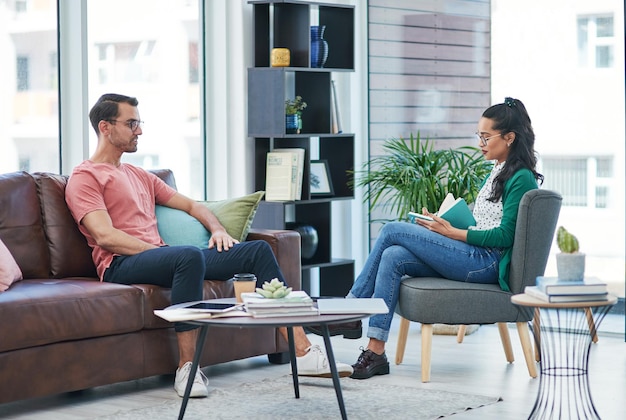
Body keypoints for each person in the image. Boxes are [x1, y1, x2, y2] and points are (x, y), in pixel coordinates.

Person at [65, 93, 352, 398]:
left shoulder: (139, 175)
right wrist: (161, 253)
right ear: (105, 127)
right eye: (131, 123)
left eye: (139, 122)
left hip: (163, 258)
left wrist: (217, 230)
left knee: (256, 251)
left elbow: (192, 206)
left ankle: (303, 351)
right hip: (120, 264)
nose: (139, 130)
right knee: (186, 257)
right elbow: (106, 236)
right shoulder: (85, 177)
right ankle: (188, 367)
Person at [345, 97, 544, 379]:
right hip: (474, 253)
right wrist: (447, 223)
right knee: (393, 256)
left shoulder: (521, 177)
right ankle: (375, 351)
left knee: (392, 231)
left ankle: (351, 310)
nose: (480, 143)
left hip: (487, 262)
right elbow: (485, 223)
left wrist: (451, 233)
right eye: (479, 136)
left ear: (510, 138)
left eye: (486, 137)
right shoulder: (499, 170)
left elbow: (505, 235)